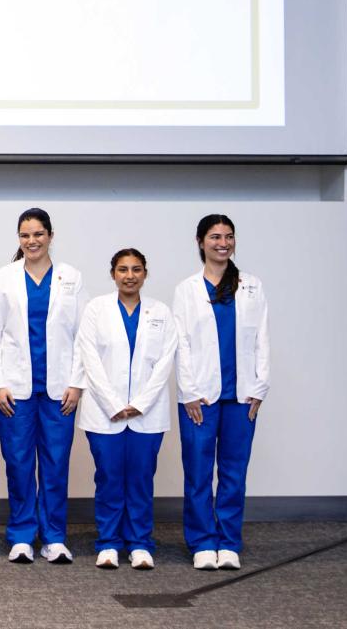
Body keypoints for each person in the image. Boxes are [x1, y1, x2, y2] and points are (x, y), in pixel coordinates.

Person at [0, 208, 85, 564]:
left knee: (56, 463)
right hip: (15, 389)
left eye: (38, 234)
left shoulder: (70, 277)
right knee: (18, 462)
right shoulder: (4, 278)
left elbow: (80, 336)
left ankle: (55, 537)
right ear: (19, 239)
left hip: (59, 389)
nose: (32, 241)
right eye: (26, 235)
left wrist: (77, 382)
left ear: (50, 236)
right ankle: (22, 535)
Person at [174, 214, 270, 572]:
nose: (223, 243)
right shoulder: (187, 289)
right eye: (215, 236)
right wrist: (188, 392)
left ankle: (228, 542)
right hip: (201, 397)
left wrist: (260, 386)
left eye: (229, 236)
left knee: (233, 472)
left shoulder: (251, 286)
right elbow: (181, 343)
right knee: (198, 471)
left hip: (241, 396)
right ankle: (201, 541)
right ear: (201, 242)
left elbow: (261, 336)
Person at [74, 248, 177, 571]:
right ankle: (108, 543)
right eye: (122, 269)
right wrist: (114, 403)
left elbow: (165, 362)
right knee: (108, 478)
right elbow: (89, 356)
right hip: (105, 412)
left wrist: (139, 404)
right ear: (112, 274)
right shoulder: (96, 310)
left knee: (142, 479)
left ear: (145, 273)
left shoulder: (161, 312)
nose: (129, 276)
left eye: (136, 269)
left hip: (147, 413)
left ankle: (140, 543)